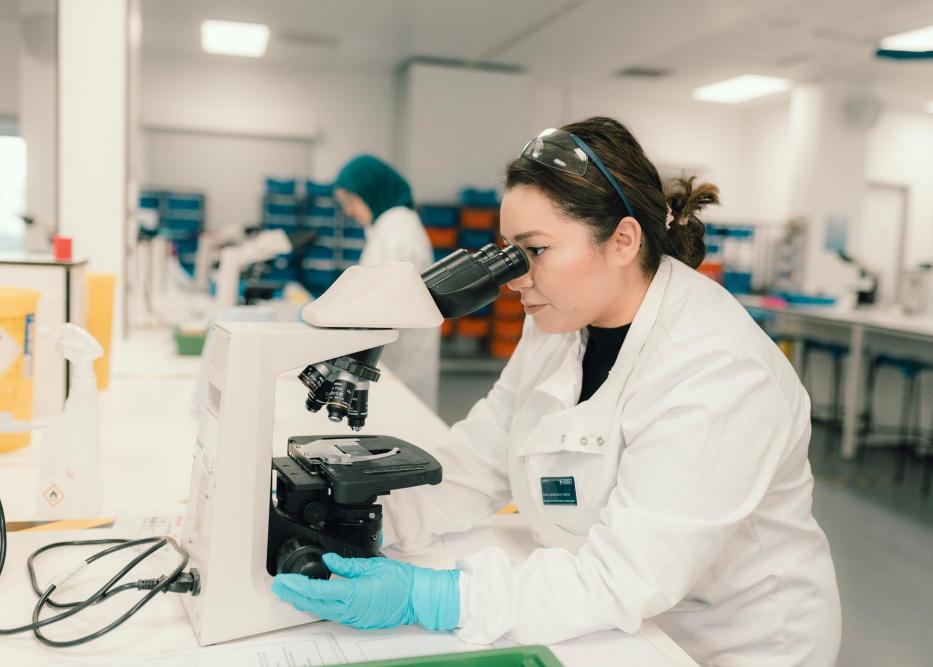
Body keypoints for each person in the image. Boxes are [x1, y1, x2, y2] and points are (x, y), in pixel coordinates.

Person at [273, 118, 841, 666]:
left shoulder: (717, 369)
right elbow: (479, 458)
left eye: (535, 251)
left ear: (622, 241)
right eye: (508, 252)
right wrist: (358, 529)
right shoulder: (560, 323)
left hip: (722, 644)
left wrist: (437, 596)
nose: (516, 277)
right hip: (601, 620)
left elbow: (625, 577)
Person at [333, 154, 439, 410]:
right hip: (389, 361)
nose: (348, 211)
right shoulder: (387, 228)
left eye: (350, 201)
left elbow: (380, 308)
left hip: (400, 364)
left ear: (371, 191)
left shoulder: (397, 234)